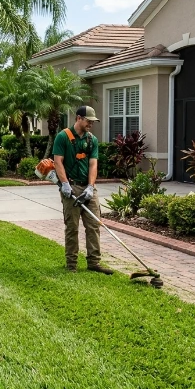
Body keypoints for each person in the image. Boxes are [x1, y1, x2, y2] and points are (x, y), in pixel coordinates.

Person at [52, 106, 114, 275]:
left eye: (93, 122)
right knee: (72, 227)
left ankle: (94, 263)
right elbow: (58, 162)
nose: (91, 124)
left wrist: (90, 187)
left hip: (87, 188)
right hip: (70, 187)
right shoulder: (63, 137)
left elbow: (93, 164)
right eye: (88, 121)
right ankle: (71, 264)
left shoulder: (92, 139)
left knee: (94, 225)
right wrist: (65, 184)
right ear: (79, 118)